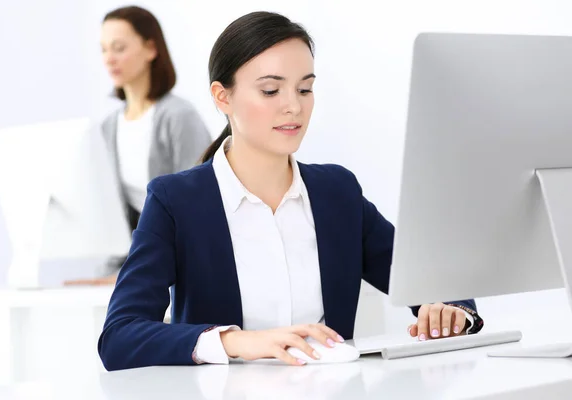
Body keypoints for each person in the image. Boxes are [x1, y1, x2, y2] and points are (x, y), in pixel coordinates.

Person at [98, 11, 484, 370]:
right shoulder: (175, 201)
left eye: (304, 89)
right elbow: (119, 335)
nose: (293, 107)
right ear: (222, 97)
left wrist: (450, 309)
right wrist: (237, 341)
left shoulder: (337, 192)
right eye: (270, 91)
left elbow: (430, 280)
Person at [64, 6, 212, 285]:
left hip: (184, 263)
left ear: (150, 48)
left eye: (119, 48)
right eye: (104, 49)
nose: (109, 59)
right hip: (142, 261)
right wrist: (115, 274)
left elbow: (198, 209)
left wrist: (139, 274)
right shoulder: (108, 127)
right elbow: (118, 217)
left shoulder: (179, 117)